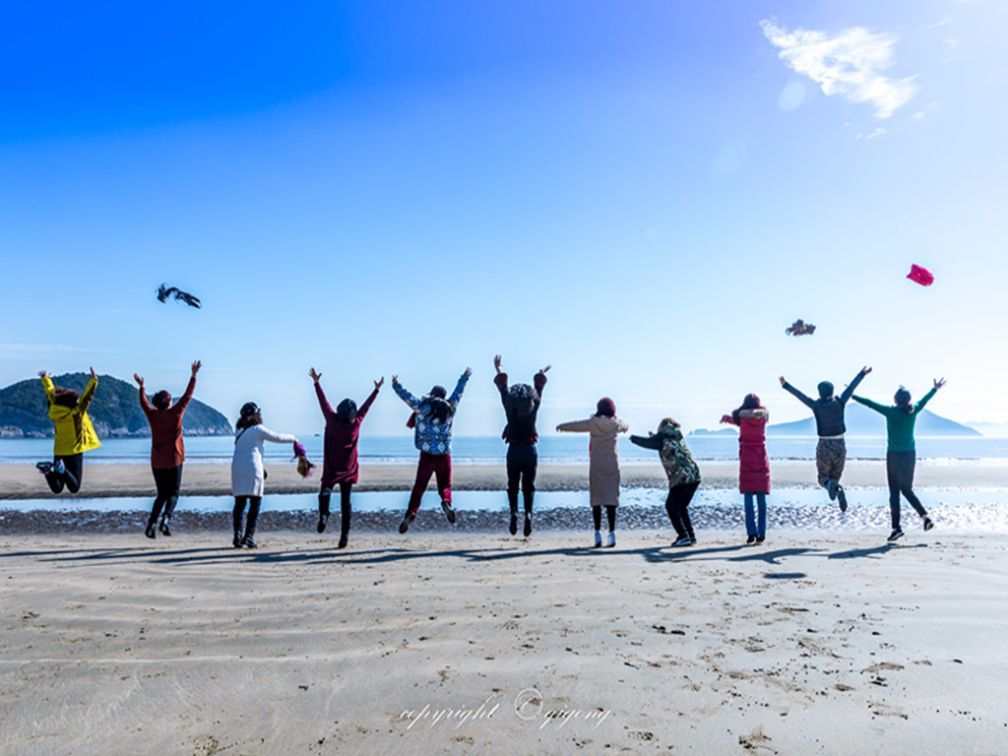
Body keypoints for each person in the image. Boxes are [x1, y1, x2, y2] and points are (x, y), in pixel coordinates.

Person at [852, 379, 945, 542]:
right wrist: (934, 389)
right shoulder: (913, 410)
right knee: (907, 489)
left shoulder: (890, 412)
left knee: (894, 493)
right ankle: (925, 518)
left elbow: (869, 403)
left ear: (895, 400)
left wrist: (851, 395)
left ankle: (896, 529)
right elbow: (924, 400)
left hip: (894, 456)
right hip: (910, 455)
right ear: (908, 400)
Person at [779, 366, 872, 512]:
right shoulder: (840, 402)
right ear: (832, 391)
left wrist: (786, 385)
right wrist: (862, 373)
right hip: (840, 444)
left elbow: (801, 396)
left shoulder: (816, 405)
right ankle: (836, 488)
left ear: (819, 392)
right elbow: (851, 388)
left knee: (823, 478)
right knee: (835, 477)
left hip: (824, 444)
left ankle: (830, 486)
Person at [310, 367, 383, 548]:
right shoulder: (356, 423)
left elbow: (323, 402)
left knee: (324, 493)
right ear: (353, 413)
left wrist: (316, 383)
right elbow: (366, 407)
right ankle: (344, 536)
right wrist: (376, 390)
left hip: (331, 469)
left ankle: (324, 515)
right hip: (349, 470)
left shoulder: (331, 420)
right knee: (346, 504)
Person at [392, 368, 472, 533]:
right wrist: (464, 378)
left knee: (419, 487)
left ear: (432, 394)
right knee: (445, 485)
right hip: (444, 456)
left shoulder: (421, 407)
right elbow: (458, 393)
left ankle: (411, 513)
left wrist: (396, 385)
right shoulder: (450, 408)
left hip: (426, 456)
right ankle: (446, 502)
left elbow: (407, 398)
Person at [134, 360, 201, 539]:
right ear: (169, 402)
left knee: (161, 494)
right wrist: (194, 375)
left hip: (157, 461)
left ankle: (151, 525)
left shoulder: (153, 414)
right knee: (173, 493)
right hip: (174, 458)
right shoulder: (176, 413)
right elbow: (187, 396)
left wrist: (142, 387)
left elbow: (144, 403)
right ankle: (166, 519)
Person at [556, 398, 629, 548]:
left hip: (597, 465)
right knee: (611, 501)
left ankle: (597, 535)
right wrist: (619, 421)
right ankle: (612, 534)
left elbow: (576, 425)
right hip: (612, 464)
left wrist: (562, 427)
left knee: (597, 500)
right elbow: (626, 426)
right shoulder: (616, 424)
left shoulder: (593, 423)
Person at [493, 355, 549, 537]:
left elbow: (503, 386)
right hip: (530, 450)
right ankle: (529, 515)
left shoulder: (508, 403)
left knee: (513, 485)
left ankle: (513, 513)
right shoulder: (535, 403)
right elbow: (539, 385)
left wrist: (498, 369)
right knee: (529, 486)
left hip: (514, 450)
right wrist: (541, 373)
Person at [231, 402, 300, 549]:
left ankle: (237, 536)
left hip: (237, 468)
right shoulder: (258, 429)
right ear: (256, 414)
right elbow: (277, 437)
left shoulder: (238, 431)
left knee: (239, 503)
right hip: (252, 468)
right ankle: (248, 537)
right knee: (255, 502)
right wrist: (293, 438)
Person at [630, 418, 701, 547]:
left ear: (662, 427)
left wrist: (633, 438)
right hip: (694, 475)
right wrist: (654, 437)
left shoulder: (662, 439)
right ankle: (690, 536)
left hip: (681, 476)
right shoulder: (676, 435)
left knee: (671, 506)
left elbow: (649, 443)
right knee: (681, 507)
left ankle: (683, 535)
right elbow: (659, 443)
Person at [36, 368, 100, 494]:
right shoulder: (76, 413)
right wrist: (94, 380)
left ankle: (48, 471)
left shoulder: (55, 409)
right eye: (77, 400)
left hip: (59, 451)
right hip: (74, 452)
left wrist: (45, 378)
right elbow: (87, 397)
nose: (78, 401)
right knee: (74, 487)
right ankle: (60, 470)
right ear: (72, 403)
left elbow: (51, 393)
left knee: (57, 488)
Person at [721, 394, 771, 544]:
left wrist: (726, 418)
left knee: (748, 496)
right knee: (761, 497)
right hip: (760, 457)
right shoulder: (763, 416)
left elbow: (736, 421)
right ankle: (761, 533)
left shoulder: (741, 417)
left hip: (746, 458)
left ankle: (751, 532)